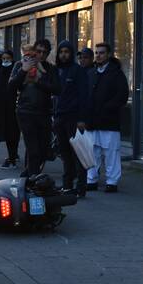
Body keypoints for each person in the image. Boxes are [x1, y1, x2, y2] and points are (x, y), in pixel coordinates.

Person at [9, 43, 60, 177]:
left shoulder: (50, 69)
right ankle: (33, 177)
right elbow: (12, 85)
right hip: (25, 112)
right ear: (33, 51)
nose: (41, 55)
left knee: (44, 149)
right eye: (38, 51)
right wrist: (24, 70)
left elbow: (56, 88)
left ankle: (29, 172)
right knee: (33, 148)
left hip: (44, 112)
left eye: (45, 52)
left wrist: (38, 81)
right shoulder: (21, 65)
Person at [85, 42, 129, 193]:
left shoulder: (116, 73)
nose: (98, 55)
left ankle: (112, 181)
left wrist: (108, 107)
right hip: (92, 121)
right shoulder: (91, 73)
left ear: (109, 55)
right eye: (96, 53)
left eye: (101, 53)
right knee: (92, 152)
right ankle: (91, 180)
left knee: (111, 153)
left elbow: (122, 95)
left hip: (109, 120)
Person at [53, 40, 90, 195]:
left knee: (78, 153)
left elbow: (84, 96)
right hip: (60, 117)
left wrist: (82, 119)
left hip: (74, 117)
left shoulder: (78, 71)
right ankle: (67, 184)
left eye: (66, 52)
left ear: (72, 54)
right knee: (64, 153)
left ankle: (81, 187)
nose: (63, 54)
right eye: (61, 52)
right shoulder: (57, 71)